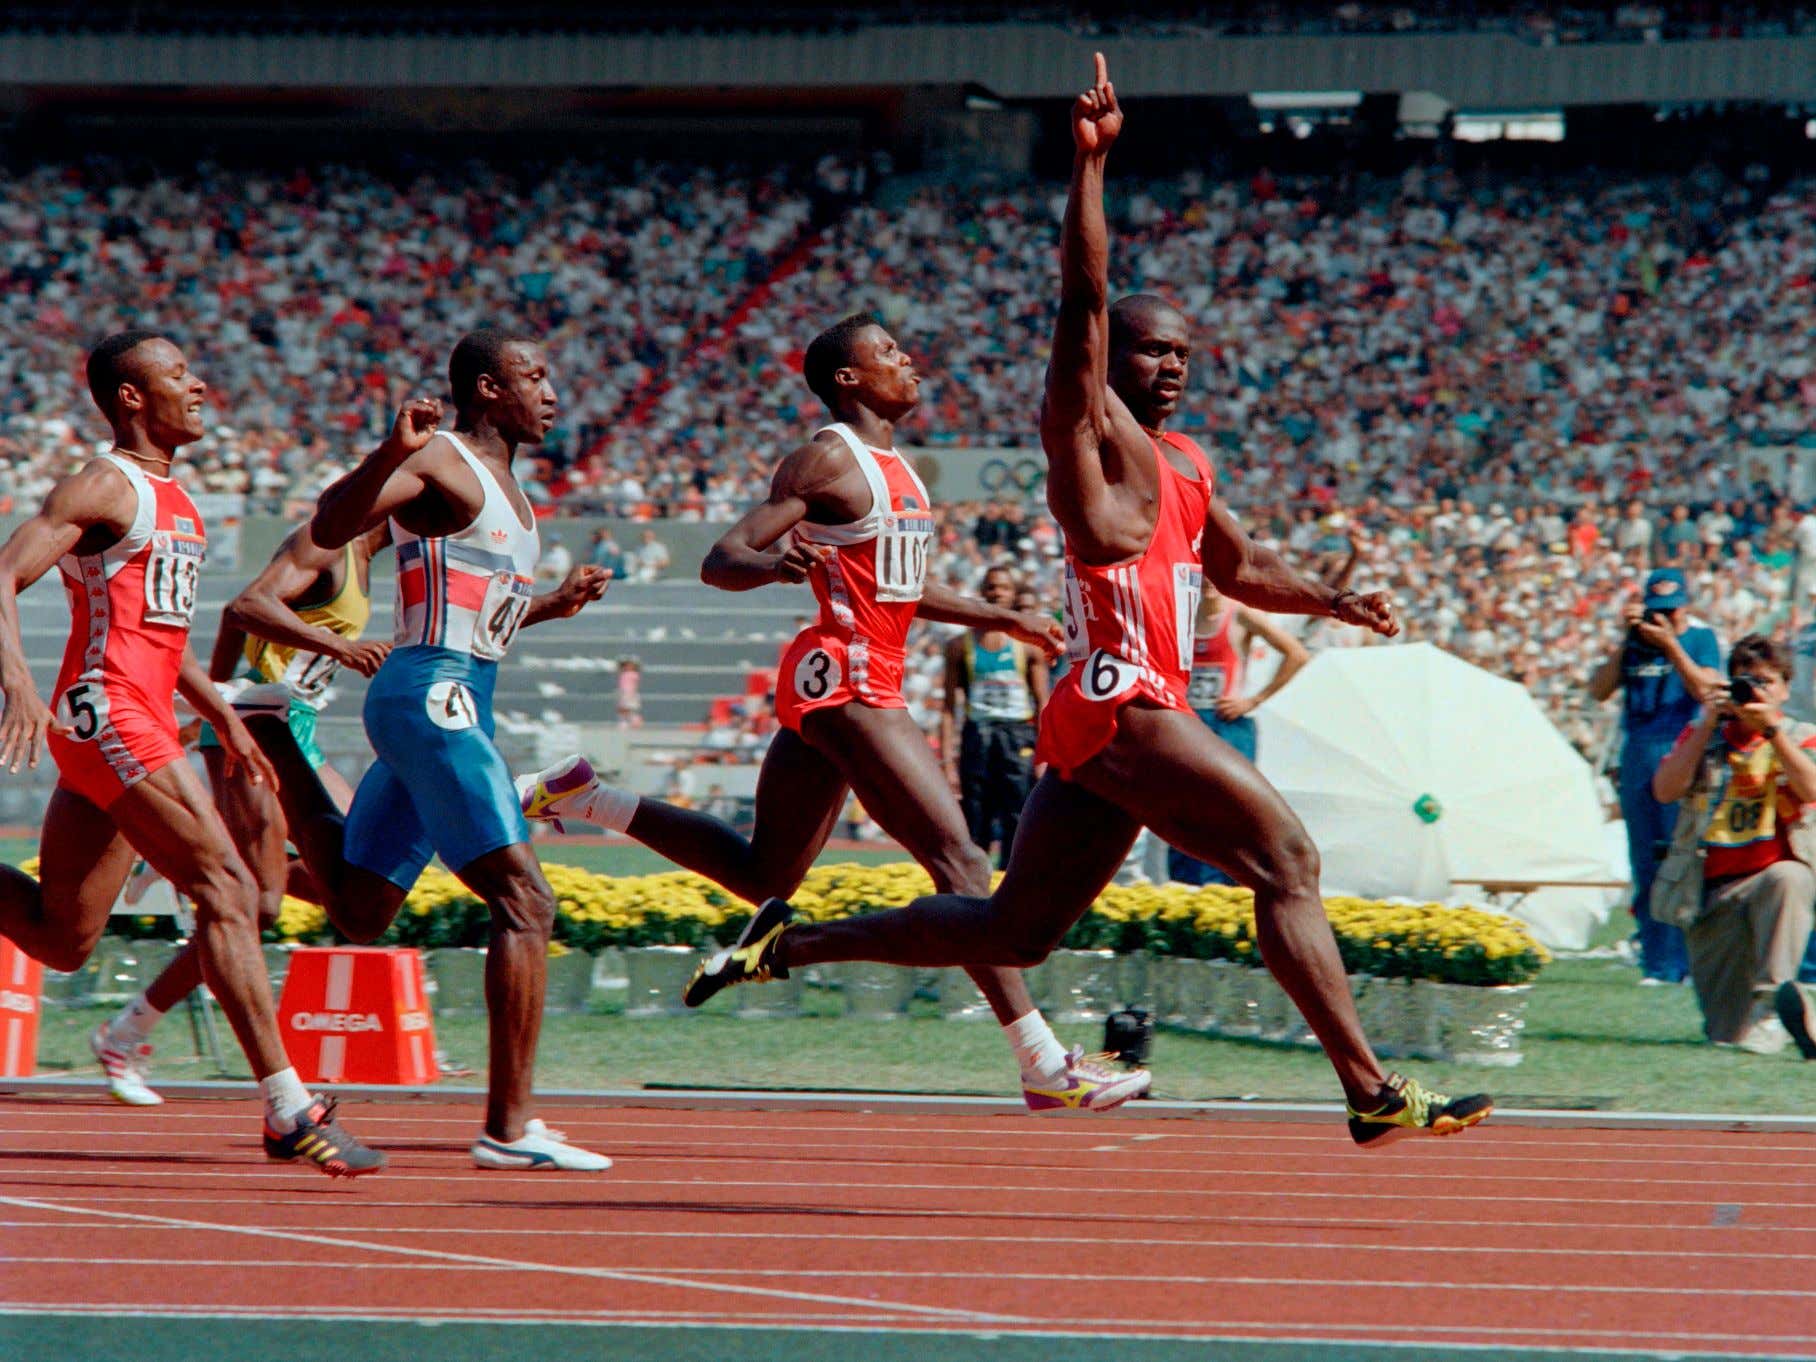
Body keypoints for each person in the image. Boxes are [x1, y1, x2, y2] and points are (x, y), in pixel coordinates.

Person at [679, 56, 1492, 1148]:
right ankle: (1370, 1094)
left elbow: (1242, 570)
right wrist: (1090, 164)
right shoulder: (1081, 436)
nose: (1170, 368)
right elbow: (1084, 298)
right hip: (1121, 696)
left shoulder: (1189, 463)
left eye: (1184, 355)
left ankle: (788, 946)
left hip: (1109, 718)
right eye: (1152, 351)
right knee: (1287, 862)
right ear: (1111, 364)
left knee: (1017, 928)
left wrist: (1337, 599)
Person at [518, 312, 1149, 1112]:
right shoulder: (827, 458)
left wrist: (999, 617)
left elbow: (901, 588)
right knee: (958, 859)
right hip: (847, 677)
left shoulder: (900, 470)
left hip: (856, 677)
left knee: (765, 874)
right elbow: (723, 559)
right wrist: (778, 563)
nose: (909, 358)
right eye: (888, 352)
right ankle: (1042, 1062)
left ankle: (586, 796)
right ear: (848, 379)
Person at [0, 330, 384, 1174]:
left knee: (62, 939)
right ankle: (288, 1107)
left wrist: (228, 716)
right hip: (106, 713)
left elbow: (163, 647)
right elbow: (3, 574)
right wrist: (19, 685)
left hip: (137, 714)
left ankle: (280, 1105)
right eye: (178, 374)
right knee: (231, 888)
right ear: (132, 398)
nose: (200, 384)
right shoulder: (106, 483)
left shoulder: (182, 501)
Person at [287, 328, 614, 1171]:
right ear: (485, 388)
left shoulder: (508, 485)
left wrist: (548, 607)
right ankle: (508, 1130)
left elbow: (478, 618)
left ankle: (271, 766)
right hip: (432, 696)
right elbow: (329, 523)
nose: (550, 391)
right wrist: (385, 453)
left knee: (360, 909)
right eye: (532, 375)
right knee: (527, 902)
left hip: (459, 692)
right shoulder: (438, 461)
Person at [90, 518, 393, 1106]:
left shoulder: (370, 563)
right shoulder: (328, 543)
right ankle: (124, 1035)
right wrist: (220, 708)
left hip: (295, 726)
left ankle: (194, 855)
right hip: (255, 721)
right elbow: (239, 610)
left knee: (358, 873)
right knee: (258, 906)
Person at [1652, 635, 1816, 1055]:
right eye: (1746, 681)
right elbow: (1665, 791)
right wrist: (1707, 722)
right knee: (1726, 1035)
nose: (1755, 691)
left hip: (1770, 877)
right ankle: (1786, 1017)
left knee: (1790, 877)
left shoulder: (1800, 736)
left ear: (1783, 689)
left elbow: (1811, 788)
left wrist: (1773, 732)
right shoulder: (1706, 734)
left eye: (1766, 682)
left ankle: (1771, 1002)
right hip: (1711, 890)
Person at [1588, 567, 1723, 983]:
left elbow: (1707, 691)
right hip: (1638, 752)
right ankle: (1656, 959)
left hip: (1680, 748)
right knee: (1644, 859)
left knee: (1678, 857)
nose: (1664, 619)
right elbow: (1598, 690)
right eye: (1656, 611)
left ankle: (1682, 959)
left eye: (1671, 611)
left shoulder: (1701, 639)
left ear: (1685, 606)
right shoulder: (1636, 643)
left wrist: (1671, 646)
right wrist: (1626, 641)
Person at [1166, 583, 1310, 886]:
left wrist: (1252, 700)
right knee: (1184, 810)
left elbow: (1296, 654)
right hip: (1189, 725)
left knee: (1231, 810)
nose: (1208, 587)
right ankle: (1186, 887)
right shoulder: (1181, 616)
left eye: (1215, 580)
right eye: (1202, 579)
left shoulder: (1239, 615)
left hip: (1227, 724)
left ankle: (1230, 886)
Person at [941, 565, 1049, 867]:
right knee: (975, 816)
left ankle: (1011, 885)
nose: (996, 593)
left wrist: (1044, 754)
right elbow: (949, 707)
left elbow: (1042, 702)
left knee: (1017, 813)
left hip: (1017, 737)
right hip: (978, 735)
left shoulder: (1029, 648)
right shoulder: (958, 646)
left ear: (1013, 595)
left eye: (1002, 588)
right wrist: (948, 761)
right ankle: (975, 889)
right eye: (990, 587)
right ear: (981, 592)